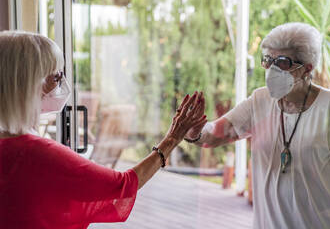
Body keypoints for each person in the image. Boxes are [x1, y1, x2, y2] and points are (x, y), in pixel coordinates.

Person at [0, 31, 207, 228]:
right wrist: (172, 138)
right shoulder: (39, 154)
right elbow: (122, 186)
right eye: (55, 77)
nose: (61, 84)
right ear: (29, 84)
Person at [184, 22, 330, 229]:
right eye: (268, 60)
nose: (272, 69)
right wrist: (195, 131)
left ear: (307, 68)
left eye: (282, 62)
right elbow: (215, 134)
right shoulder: (259, 101)